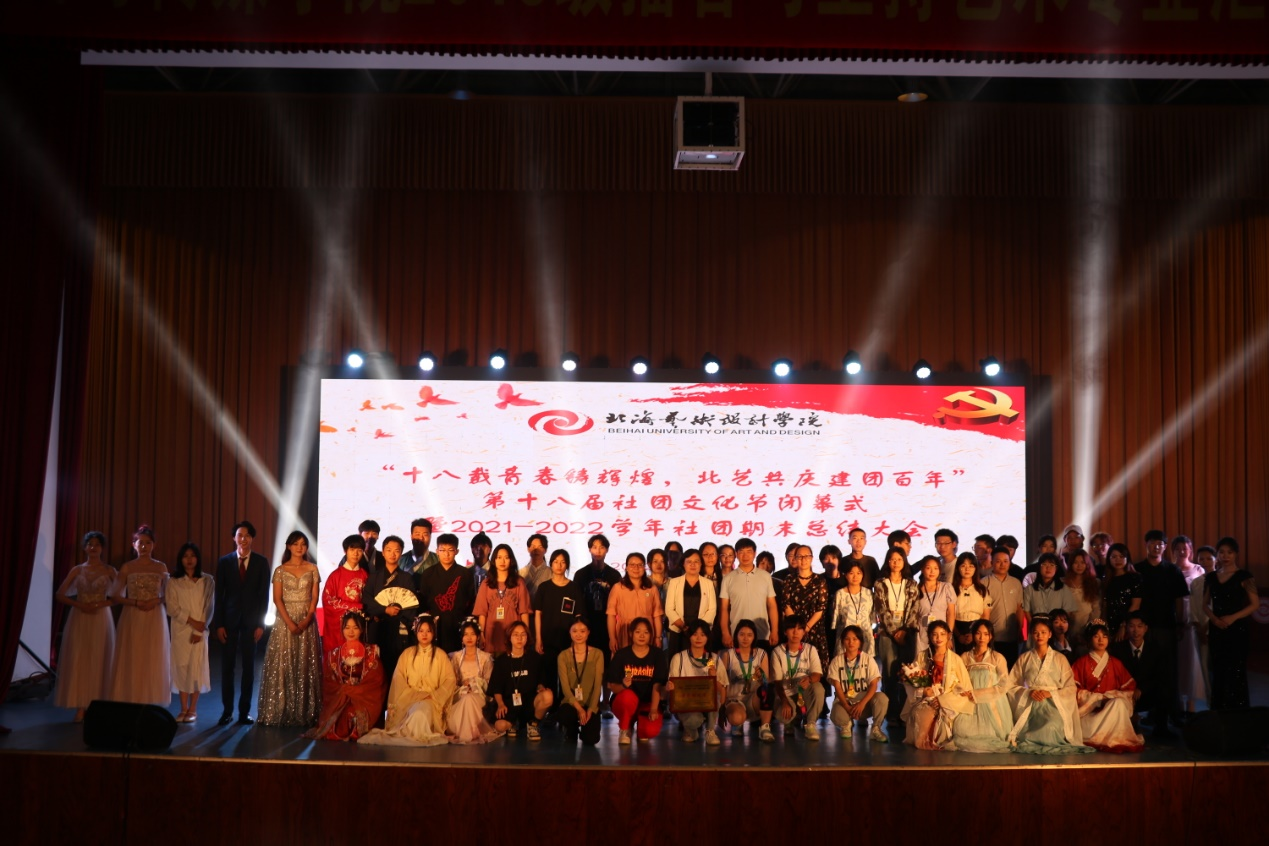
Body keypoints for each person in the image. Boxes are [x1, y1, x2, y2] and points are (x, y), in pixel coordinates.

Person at [257, 531, 322, 727]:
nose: (299, 547)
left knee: (305, 664)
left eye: (303, 544)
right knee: (283, 663)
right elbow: (277, 599)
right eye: (295, 544)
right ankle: (280, 710)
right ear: (288, 546)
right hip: (284, 621)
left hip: (307, 620)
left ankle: (305, 711)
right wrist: (290, 623)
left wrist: (307, 619)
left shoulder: (313, 568)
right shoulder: (280, 570)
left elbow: (314, 598)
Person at [360, 615, 456, 746]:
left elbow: (449, 680)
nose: (424, 634)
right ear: (416, 632)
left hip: (431, 700)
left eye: (428, 631)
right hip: (410, 699)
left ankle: (415, 735)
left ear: (433, 633)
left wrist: (434, 695)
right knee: (416, 711)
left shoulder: (440, 655)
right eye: (421, 631)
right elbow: (398, 679)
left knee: (421, 712)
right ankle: (411, 734)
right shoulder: (407, 654)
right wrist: (413, 695)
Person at [54, 532, 117, 722]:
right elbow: (60, 594)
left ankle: (98, 705)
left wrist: (99, 604)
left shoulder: (110, 570)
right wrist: (79, 605)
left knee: (99, 658)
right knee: (80, 659)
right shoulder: (77, 570)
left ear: (102, 548)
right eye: (90, 544)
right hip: (79, 617)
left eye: (97, 544)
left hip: (101, 617)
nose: (93, 547)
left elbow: (119, 596)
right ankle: (81, 706)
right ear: (84, 548)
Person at [212, 520, 270, 725]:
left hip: (251, 623)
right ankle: (227, 711)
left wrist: (261, 625)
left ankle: (244, 712)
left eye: (247, 536)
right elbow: (219, 595)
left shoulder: (261, 562)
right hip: (228, 622)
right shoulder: (225, 562)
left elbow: (264, 596)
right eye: (240, 535)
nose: (243, 539)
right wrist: (219, 624)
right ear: (234, 538)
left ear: (252, 539)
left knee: (248, 669)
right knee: (227, 668)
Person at [1007, 616, 1091, 755]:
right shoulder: (1024, 658)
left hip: (1054, 703)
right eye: (1036, 632)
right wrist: (1028, 692)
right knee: (1028, 731)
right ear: (1031, 634)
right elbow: (1010, 685)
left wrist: (1051, 693)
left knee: (1051, 725)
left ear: (1050, 634)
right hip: (1031, 703)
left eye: (1043, 632)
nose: (1039, 636)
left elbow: (1070, 687)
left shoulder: (1060, 658)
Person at [108, 525, 172, 707]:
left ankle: (151, 699)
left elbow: (170, 595)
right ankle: (132, 697)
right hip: (132, 615)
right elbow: (115, 595)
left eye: (148, 543)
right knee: (133, 655)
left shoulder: (160, 567)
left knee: (153, 655)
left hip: (155, 615)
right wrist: (135, 602)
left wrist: (156, 601)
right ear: (134, 545)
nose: (144, 546)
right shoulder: (127, 567)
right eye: (140, 543)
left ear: (154, 545)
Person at [1135, 529, 1187, 729]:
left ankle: (1168, 715)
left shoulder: (1173, 570)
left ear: (1165, 547)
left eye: (1160, 544)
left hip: (1166, 626)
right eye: (1152, 543)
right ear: (1146, 545)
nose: (1156, 547)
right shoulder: (1137, 569)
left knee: (1168, 671)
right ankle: (1146, 713)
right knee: (1146, 670)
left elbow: (1180, 599)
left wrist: (1180, 622)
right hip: (1143, 628)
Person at [305, 611, 386, 741]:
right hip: (340, 697)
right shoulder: (334, 654)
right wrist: (343, 690)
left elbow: (376, 681)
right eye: (347, 627)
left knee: (351, 714)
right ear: (342, 629)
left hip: (363, 698)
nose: (351, 632)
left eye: (355, 628)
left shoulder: (372, 653)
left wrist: (355, 691)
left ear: (361, 629)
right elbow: (328, 682)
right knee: (340, 716)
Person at [1071, 621, 1144, 753]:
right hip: (1090, 715)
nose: (1101, 640)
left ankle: (1114, 737)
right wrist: (1097, 699)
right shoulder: (1080, 663)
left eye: (1104, 636)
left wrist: (1110, 699)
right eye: (1096, 636)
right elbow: (1072, 691)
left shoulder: (1116, 663)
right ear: (1089, 640)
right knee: (1115, 705)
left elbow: (1129, 689)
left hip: (1111, 709)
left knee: (1118, 704)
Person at [360, 534, 420, 688]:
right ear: (383, 552)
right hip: (378, 628)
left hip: (398, 631)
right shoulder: (374, 577)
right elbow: (366, 601)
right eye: (389, 550)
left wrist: (398, 613)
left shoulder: (407, 578)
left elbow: (411, 605)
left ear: (401, 553)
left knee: (398, 671)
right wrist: (384, 609)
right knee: (377, 671)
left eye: (397, 550)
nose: (393, 554)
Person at [1204, 537, 1258, 710]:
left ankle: (1238, 712)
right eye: (1221, 552)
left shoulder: (1245, 576)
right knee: (1218, 668)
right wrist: (1214, 619)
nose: (1225, 556)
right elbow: (1204, 605)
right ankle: (1219, 710)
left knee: (1236, 669)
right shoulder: (1211, 577)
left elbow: (1255, 604)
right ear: (1217, 555)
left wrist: (1233, 617)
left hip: (1237, 629)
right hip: (1217, 628)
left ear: (1236, 554)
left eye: (1229, 552)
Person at [901, 620, 972, 750]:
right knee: (921, 713)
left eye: (942, 634)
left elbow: (965, 687)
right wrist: (923, 692)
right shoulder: (922, 656)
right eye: (934, 634)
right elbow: (911, 679)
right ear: (929, 636)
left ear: (948, 636)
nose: (938, 638)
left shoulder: (956, 659)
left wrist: (943, 700)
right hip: (926, 697)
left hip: (948, 700)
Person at [948, 620, 1012, 753]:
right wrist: (964, 691)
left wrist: (979, 694)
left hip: (991, 700)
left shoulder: (997, 657)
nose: (981, 637)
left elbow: (1004, 683)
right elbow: (956, 679)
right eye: (978, 633)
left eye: (986, 634)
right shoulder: (965, 657)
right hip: (969, 700)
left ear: (991, 636)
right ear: (973, 635)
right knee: (961, 730)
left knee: (991, 731)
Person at [167, 542, 214, 723]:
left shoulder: (207, 580)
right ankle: (183, 708)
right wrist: (193, 622)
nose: (189, 559)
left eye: (192, 555)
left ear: (197, 558)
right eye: (185, 556)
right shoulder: (174, 581)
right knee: (181, 668)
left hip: (200, 631)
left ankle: (193, 709)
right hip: (181, 631)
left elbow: (209, 607)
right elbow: (172, 608)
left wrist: (199, 629)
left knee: (197, 668)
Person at [874, 546, 919, 724]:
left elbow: (914, 608)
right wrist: (894, 632)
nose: (896, 563)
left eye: (899, 559)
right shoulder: (880, 584)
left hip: (907, 631)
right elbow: (881, 609)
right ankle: (891, 712)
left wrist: (904, 631)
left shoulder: (911, 584)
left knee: (906, 672)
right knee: (890, 673)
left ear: (904, 561)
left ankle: (905, 712)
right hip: (887, 632)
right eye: (892, 559)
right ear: (887, 561)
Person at [605, 617, 667, 744]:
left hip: (647, 703)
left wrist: (654, 709)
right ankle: (625, 728)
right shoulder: (622, 655)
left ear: (651, 635)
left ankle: (640, 724)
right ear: (631, 633)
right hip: (626, 702)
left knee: (648, 732)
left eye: (646, 632)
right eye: (638, 632)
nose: (642, 636)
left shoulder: (657, 655)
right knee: (627, 697)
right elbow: (612, 686)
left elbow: (658, 684)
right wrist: (623, 685)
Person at [488, 621, 552, 740]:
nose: (519, 638)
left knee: (548, 696)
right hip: (509, 704)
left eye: (523, 635)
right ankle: (513, 724)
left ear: (527, 637)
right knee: (500, 726)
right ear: (509, 637)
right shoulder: (501, 661)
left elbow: (541, 681)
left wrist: (541, 687)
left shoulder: (535, 658)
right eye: (516, 635)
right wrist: (500, 704)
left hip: (529, 702)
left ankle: (533, 724)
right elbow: (496, 688)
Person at [533, 549, 584, 698]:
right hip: (548, 640)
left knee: (566, 677)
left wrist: (577, 640)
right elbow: (538, 614)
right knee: (549, 676)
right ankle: (551, 707)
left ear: (567, 564)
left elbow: (578, 616)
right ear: (551, 564)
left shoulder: (574, 587)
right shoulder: (544, 587)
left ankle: (564, 706)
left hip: (568, 641)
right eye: (555, 562)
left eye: (562, 562)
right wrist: (538, 639)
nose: (559, 565)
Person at [1110, 613, 1171, 737]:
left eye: (1139, 626)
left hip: (1146, 691)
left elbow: (1160, 675)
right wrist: (1129, 689)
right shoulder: (1118, 649)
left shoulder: (1155, 649)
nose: (1135, 630)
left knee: (1164, 688)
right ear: (1126, 628)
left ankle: (1161, 729)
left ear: (1145, 628)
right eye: (1131, 626)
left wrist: (1141, 689)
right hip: (1125, 691)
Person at [415, 533, 477, 654]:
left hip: (458, 625)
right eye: (442, 550)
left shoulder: (465, 574)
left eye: (450, 550)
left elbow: (471, 601)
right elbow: (423, 602)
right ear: (437, 551)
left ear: (457, 551)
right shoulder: (428, 574)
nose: (446, 554)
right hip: (435, 627)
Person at [826, 626, 889, 742]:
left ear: (860, 642)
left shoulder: (868, 660)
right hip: (845, 703)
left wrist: (861, 704)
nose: (851, 642)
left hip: (865, 704)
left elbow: (874, 685)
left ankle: (876, 728)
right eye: (847, 639)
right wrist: (846, 706)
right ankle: (846, 725)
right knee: (836, 713)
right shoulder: (836, 661)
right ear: (842, 641)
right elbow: (837, 687)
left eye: (855, 639)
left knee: (882, 698)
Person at [716, 619, 775, 742]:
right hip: (734, 700)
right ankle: (738, 723)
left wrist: (762, 677)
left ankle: (765, 727)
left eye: (749, 635)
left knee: (768, 689)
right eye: (742, 634)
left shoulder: (761, 654)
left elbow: (766, 683)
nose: (745, 638)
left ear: (754, 637)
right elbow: (721, 684)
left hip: (753, 700)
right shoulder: (728, 655)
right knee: (737, 718)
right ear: (736, 635)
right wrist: (721, 707)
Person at [719, 537, 779, 651]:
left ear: (755, 553)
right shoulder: (728, 578)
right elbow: (724, 608)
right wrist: (725, 633)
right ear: (736, 554)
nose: (745, 555)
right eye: (741, 552)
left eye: (749, 551)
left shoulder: (765, 576)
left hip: (762, 633)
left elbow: (772, 605)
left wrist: (774, 631)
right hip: (737, 634)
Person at [667, 620, 721, 745]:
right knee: (693, 720)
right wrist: (670, 687)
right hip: (686, 703)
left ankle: (710, 730)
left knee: (716, 694)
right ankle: (691, 731)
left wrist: (713, 679)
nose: (698, 638)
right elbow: (672, 685)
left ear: (707, 637)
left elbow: (722, 689)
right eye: (695, 634)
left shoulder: (712, 658)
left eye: (703, 635)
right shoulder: (678, 658)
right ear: (689, 636)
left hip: (706, 704)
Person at [771, 614, 824, 740]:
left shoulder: (810, 649)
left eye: (800, 628)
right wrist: (784, 701)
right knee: (784, 715)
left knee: (818, 688)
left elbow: (817, 674)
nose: (795, 632)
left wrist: (809, 679)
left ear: (804, 632)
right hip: (786, 694)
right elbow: (777, 682)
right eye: (791, 628)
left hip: (803, 692)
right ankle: (790, 721)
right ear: (785, 631)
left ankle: (810, 725)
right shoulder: (777, 652)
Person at [473, 543, 532, 655]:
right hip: (492, 634)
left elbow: (524, 612)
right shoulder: (486, 584)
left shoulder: (519, 582)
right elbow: (482, 613)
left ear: (511, 560)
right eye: (499, 557)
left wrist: (526, 634)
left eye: (506, 557)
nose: (502, 561)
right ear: (494, 560)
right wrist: (481, 633)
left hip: (513, 635)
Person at [446, 619, 499, 743]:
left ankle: (467, 734)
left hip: (478, 695)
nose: (469, 638)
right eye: (466, 634)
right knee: (466, 699)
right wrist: (462, 686)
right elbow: (450, 682)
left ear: (478, 637)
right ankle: (466, 732)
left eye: (472, 634)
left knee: (469, 699)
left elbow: (489, 683)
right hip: (460, 695)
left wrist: (475, 683)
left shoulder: (486, 658)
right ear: (462, 638)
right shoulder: (454, 657)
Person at [556, 615, 604, 746]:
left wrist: (591, 709)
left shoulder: (597, 654)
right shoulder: (563, 656)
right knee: (565, 714)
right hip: (571, 704)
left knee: (591, 739)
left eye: (582, 631)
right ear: (569, 632)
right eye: (575, 631)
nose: (578, 635)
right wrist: (579, 709)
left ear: (588, 632)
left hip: (590, 704)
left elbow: (598, 685)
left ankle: (585, 728)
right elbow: (565, 688)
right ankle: (571, 729)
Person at [573, 533, 622, 658]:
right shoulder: (581, 574)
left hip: (607, 623)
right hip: (587, 623)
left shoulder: (614, 575)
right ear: (589, 549)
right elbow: (577, 601)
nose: (598, 551)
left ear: (607, 550)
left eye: (602, 547)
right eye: (594, 547)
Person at [1172, 536, 1206, 713]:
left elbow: (1203, 596)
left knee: (1192, 659)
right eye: (1178, 548)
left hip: (1193, 616)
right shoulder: (1170, 569)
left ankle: (1191, 703)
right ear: (1173, 551)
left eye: (1184, 548)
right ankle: (1177, 700)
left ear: (1190, 550)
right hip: (1174, 616)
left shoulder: (1198, 569)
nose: (1181, 551)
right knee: (1176, 660)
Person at [777, 545, 829, 660]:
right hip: (793, 631)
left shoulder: (820, 580)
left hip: (814, 630)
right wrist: (798, 628)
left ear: (811, 558)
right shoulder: (789, 580)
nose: (803, 559)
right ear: (795, 559)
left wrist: (806, 628)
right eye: (799, 556)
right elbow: (786, 605)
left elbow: (821, 608)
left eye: (806, 556)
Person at [607, 552, 664, 652]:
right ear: (626, 567)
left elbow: (657, 615)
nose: (636, 568)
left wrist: (658, 637)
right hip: (625, 631)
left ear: (644, 568)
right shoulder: (618, 588)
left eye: (640, 565)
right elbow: (611, 615)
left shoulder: (651, 588)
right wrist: (612, 638)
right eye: (632, 565)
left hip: (646, 632)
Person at [664, 548, 715, 655]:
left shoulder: (708, 583)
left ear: (701, 564)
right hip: (679, 630)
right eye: (689, 561)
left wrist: (698, 629)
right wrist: (683, 627)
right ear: (683, 563)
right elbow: (669, 609)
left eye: (696, 561)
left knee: (703, 661)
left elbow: (712, 610)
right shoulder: (674, 582)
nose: (693, 565)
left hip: (701, 632)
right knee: (677, 661)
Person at [321, 534, 368, 645]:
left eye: (359, 550)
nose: (356, 554)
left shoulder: (364, 575)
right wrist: (356, 606)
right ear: (345, 551)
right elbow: (328, 600)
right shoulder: (335, 575)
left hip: (358, 624)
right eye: (352, 549)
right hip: (339, 624)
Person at [984, 546, 1025, 668]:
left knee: (1011, 669)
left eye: (1006, 561)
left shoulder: (1016, 583)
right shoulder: (984, 583)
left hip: (1012, 636)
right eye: (998, 561)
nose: (1002, 564)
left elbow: (1019, 608)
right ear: (991, 562)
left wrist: (1021, 630)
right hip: (993, 637)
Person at [1189, 544, 1218, 706]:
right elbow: (1193, 606)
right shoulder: (1196, 582)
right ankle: (1209, 697)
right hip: (1200, 629)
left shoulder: (1221, 579)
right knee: (1204, 665)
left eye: (1209, 558)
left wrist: (1208, 625)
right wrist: (1198, 626)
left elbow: (1216, 606)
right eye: (1201, 559)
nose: (1205, 562)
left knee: (1217, 663)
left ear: (1215, 559)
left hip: (1217, 626)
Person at [913, 555, 957, 656]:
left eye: (936, 568)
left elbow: (951, 613)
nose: (932, 571)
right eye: (928, 568)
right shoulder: (915, 589)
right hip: (922, 634)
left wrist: (949, 636)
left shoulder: (946, 588)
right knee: (923, 662)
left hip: (942, 634)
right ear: (922, 569)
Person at [831, 560, 876, 655]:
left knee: (865, 662)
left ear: (863, 575)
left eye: (858, 573)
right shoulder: (840, 594)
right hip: (846, 638)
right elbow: (835, 619)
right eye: (851, 573)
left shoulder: (869, 593)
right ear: (846, 575)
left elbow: (872, 617)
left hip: (865, 636)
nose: (855, 576)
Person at [1022, 553, 1079, 624]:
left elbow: (1068, 612)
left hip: (1057, 629)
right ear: (1039, 567)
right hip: (1037, 629)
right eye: (1044, 564)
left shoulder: (1064, 589)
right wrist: (1034, 626)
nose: (1048, 568)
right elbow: (1026, 611)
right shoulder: (1030, 589)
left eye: (1052, 565)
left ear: (1056, 568)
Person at [951, 552, 991, 652]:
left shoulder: (982, 590)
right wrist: (958, 635)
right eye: (963, 566)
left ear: (975, 568)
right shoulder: (951, 589)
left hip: (977, 629)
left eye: (971, 566)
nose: (967, 569)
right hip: (957, 629)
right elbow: (950, 615)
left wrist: (974, 634)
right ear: (958, 568)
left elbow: (985, 616)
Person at [1103, 543, 1143, 641]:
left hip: (1128, 624)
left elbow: (1135, 605)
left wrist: (1124, 625)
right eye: (1114, 557)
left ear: (1127, 558)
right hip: (1110, 623)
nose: (1118, 560)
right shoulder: (1107, 579)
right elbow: (1105, 605)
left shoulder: (1135, 578)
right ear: (1109, 559)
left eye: (1121, 556)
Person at [1062, 549, 1100, 637]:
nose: (1079, 566)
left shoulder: (1094, 583)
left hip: (1087, 626)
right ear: (1071, 564)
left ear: (1087, 564)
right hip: (1067, 626)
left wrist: (1089, 628)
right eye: (1075, 562)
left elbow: (1096, 609)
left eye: (1082, 562)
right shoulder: (1063, 583)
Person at [520, 533, 552, 599]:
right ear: (528, 549)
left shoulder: (552, 573)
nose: (536, 550)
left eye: (540, 547)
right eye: (533, 546)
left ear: (545, 550)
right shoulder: (521, 573)